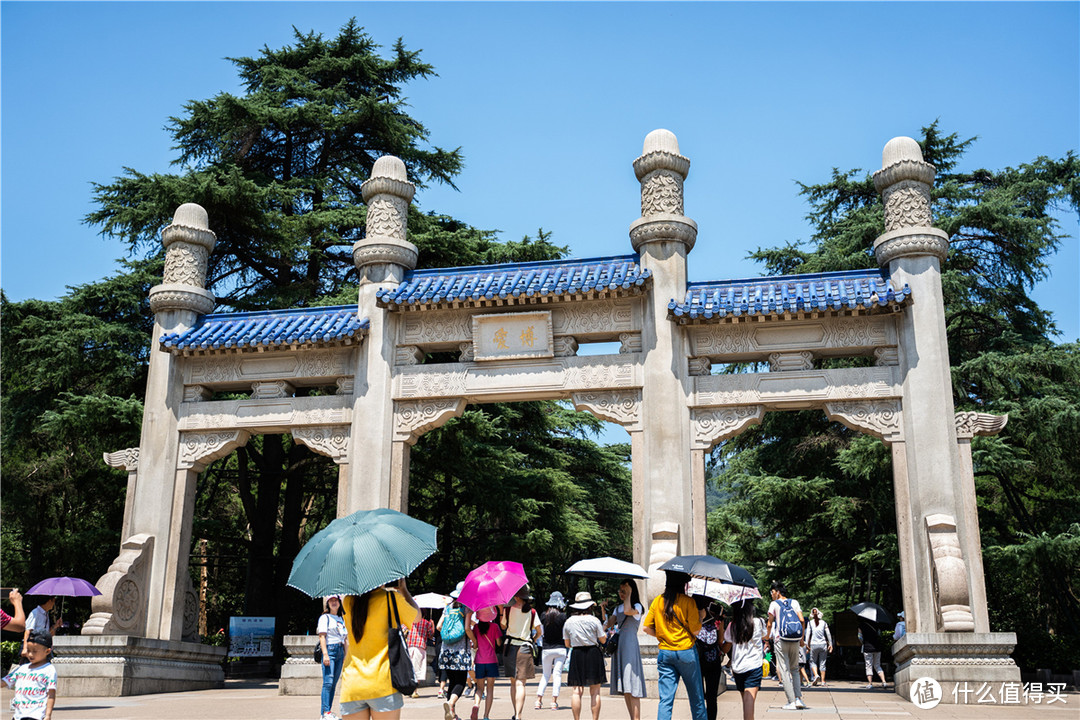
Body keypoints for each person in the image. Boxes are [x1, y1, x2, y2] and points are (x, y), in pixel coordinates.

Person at [338, 578, 419, 720]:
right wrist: (404, 590)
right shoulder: (391, 598)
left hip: (352, 684)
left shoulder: (348, 601)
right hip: (383, 683)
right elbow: (417, 617)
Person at [642, 570, 707, 720]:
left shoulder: (658, 601)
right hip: (686, 652)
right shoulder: (688, 602)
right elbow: (696, 631)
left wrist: (661, 636)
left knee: (666, 700)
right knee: (696, 697)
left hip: (665, 653)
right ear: (682, 585)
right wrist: (701, 617)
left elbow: (646, 628)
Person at [605, 579, 646, 720]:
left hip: (629, 645)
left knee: (632, 684)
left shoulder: (637, 606)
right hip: (620, 646)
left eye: (624, 590)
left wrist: (629, 595)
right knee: (626, 687)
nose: (621, 593)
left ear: (631, 591)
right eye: (620, 591)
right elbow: (609, 624)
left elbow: (628, 611)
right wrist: (602, 610)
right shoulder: (618, 608)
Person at [562, 592, 606, 720]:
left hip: (577, 654)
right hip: (593, 653)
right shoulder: (594, 620)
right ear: (590, 606)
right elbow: (602, 640)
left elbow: (567, 643)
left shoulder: (569, 621)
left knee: (576, 691)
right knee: (595, 691)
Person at [500, 588, 541, 720]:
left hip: (510, 647)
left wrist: (501, 611)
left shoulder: (508, 609)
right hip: (525, 647)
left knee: (513, 683)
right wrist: (532, 640)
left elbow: (503, 626)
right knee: (521, 684)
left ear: (517, 596)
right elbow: (539, 632)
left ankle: (515, 712)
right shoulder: (532, 612)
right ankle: (518, 715)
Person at [721, 599, 765, 720]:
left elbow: (725, 648)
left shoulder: (732, 625)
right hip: (754, 666)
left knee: (745, 700)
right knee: (749, 700)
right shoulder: (758, 622)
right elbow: (766, 635)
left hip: (738, 668)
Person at [765, 581, 807, 711]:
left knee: (784, 670)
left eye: (772, 592)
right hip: (795, 639)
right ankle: (799, 698)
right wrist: (802, 639)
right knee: (795, 669)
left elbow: (769, 624)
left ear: (777, 592)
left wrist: (767, 638)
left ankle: (791, 701)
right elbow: (802, 620)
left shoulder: (774, 604)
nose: (771, 595)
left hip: (780, 639)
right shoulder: (794, 602)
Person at [437, 583, 474, 720]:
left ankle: (452, 713)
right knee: (461, 681)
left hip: (446, 650)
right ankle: (450, 703)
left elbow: (439, 626)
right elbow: (467, 629)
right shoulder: (466, 608)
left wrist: (450, 636)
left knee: (452, 681)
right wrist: (474, 641)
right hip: (461, 651)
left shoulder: (447, 608)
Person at [4, 629, 56, 720]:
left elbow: (51, 695)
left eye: (35, 651)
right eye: (28, 650)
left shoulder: (49, 670)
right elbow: (4, 682)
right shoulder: (22, 669)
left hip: (35, 715)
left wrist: (48, 715)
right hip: (18, 716)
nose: (30, 654)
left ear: (47, 651)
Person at [535, 591, 568, 711]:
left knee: (545, 675)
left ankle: (538, 700)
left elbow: (541, 631)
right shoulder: (563, 617)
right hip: (560, 648)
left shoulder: (544, 615)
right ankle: (554, 702)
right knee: (557, 675)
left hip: (547, 648)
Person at [318, 594, 349, 720]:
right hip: (330, 650)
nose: (334, 602)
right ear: (328, 603)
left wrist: (346, 655)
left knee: (333, 683)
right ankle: (325, 712)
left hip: (340, 651)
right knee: (328, 682)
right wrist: (325, 654)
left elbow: (345, 639)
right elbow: (322, 636)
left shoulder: (341, 618)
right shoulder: (325, 617)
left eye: (336, 600)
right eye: (331, 601)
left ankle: (327, 712)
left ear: (339, 603)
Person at [469, 611, 502, 720]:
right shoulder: (494, 626)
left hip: (479, 661)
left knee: (479, 688)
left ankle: (476, 705)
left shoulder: (476, 628)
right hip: (491, 660)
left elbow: (475, 645)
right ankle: (486, 716)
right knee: (490, 689)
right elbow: (498, 643)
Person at [695, 601, 724, 720]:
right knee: (712, 697)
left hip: (697, 660)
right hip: (713, 660)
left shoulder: (694, 616)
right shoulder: (718, 619)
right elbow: (720, 640)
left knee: (699, 696)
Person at [405, 609, 435, 698]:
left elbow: (402, 630)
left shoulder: (409, 621)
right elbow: (430, 635)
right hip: (420, 648)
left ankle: (408, 689)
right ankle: (414, 690)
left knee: (409, 669)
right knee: (417, 669)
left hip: (409, 647)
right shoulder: (426, 623)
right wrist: (432, 625)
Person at [22, 597, 61, 661]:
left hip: (43, 647)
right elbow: (28, 630)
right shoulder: (35, 612)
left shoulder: (46, 614)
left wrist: (56, 626)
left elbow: (47, 633)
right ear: (49, 601)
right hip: (33, 648)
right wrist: (25, 648)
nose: (54, 604)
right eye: (53, 601)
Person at [803, 608, 832, 686]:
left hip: (813, 644)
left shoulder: (810, 623)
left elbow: (808, 634)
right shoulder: (824, 623)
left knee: (813, 661)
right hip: (823, 645)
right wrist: (831, 645)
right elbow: (828, 634)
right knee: (823, 662)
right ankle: (823, 681)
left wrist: (807, 645)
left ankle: (816, 675)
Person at [857, 621, 888, 689]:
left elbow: (859, 636)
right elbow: (879, 634)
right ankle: (884, 682)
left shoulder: (862, 625)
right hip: (877, 647)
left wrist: (863, 643)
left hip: (867, 648)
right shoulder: (877, 624)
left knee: (868, 665)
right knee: (877, 665)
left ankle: (870, 683)